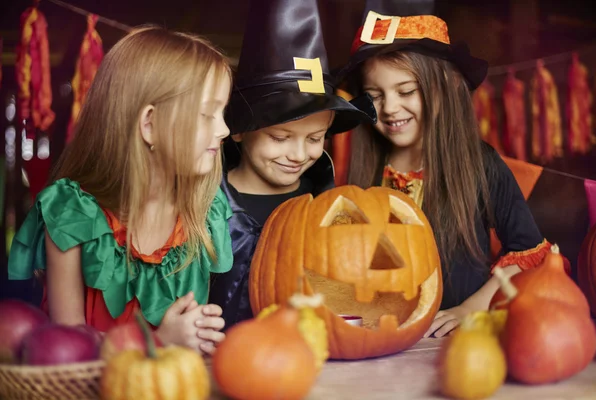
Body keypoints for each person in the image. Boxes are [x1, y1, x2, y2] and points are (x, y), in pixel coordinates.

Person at [8, 26, 233, 355]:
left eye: (222, 113)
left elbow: (189, 345)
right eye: (206, 115)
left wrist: (202, 333)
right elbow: (69, 351)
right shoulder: (72, 213)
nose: (224, 129)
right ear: (149, 124)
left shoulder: (205, 211)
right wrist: (158, 342)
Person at [337, 0, 550, 337]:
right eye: (375, 96)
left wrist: (472, 308)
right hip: (383, 340)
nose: (390, 108)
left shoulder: (481, 165)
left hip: (455, 340)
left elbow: (530, 256)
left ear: (446, 87)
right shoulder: (366, 168)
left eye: (406, 90)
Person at [208, 0, 376, 330]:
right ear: (240, 129)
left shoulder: (330, 210)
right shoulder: (201, 205)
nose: (298, 154)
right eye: (281, 137)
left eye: (314, 139)